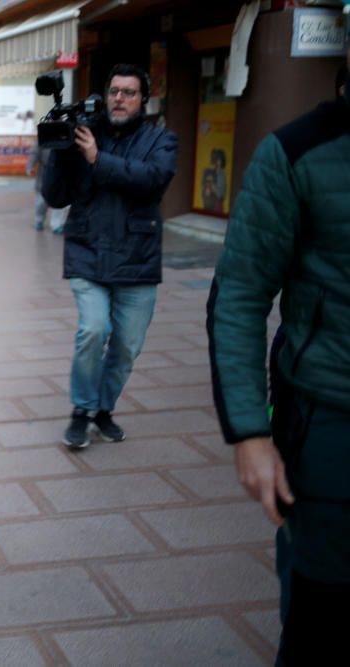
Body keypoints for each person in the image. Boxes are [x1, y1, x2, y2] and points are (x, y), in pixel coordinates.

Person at [207, 46, 350, 666]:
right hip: (328, 421)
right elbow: (238, 296)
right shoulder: (297, 152)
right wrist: (249, 432)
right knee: (321, 611)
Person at [42, 64, 178, 449]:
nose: (120, 98)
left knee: (127, 347)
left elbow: (151, 180)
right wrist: (61, 150)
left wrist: (96, 158)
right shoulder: (85, 132)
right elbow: (55, 197)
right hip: (88, 252)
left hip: (138, 258)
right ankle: (82, 410)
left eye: (129, 92)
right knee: (93, 330)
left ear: (142, 99)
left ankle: (103, 409)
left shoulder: (161, 140)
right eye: (115, 91)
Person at [26, 143, 67, 233]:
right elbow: (34, 154)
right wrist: (30, 168)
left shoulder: (65, 139)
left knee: (60, 202)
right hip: (43, 177)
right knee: (41, 203)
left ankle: (56, 224)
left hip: (61, 177)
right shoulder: (42, 142)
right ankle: (39, 220)